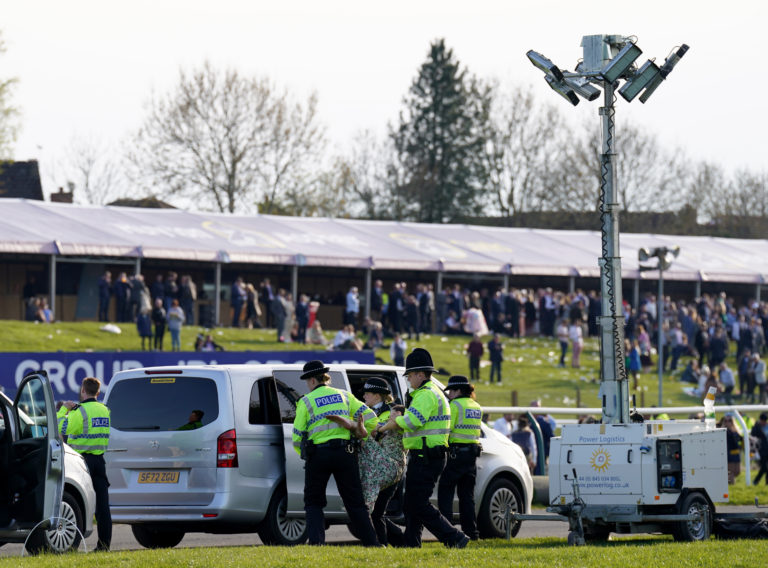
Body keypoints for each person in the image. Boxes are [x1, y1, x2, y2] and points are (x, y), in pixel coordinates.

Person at [376, 348, 469, 549]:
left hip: (427, 456)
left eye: (410, 376)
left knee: (419, 504)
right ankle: (411, 543)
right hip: (425, 455)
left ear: (420, 374)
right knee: (411, 504)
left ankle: (454, 537)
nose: (408, 380)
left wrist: (391, 422)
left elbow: (412, 421)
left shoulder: (425, 395)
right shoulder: (428, 393)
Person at [291, 360, 380, 546]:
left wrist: (305, 453)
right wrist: (357, 430)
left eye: (308, 381)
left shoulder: (306, 401)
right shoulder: (344, 396)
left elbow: (297, 437)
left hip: (318, 456)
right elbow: (372, 419)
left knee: (314, 502)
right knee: (355, 502)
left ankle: (317, 545)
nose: (308, 385)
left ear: (313, 381)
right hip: (345, 453)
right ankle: (373, 543)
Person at [57, 377, 112, 551]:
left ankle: (72, 544)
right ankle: (104, 545)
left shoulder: (79, 411)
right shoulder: (105, 410)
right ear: (98, 392)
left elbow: (61, 428)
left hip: (81, 462)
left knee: (79, 502)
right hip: (99, 461)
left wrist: (64, 410)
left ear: (83, 390)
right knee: (103, 506)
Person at [356, 378, 407, 546]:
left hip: (388, 468)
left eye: (367, 393)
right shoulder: (368, 411)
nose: (363, 396)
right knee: (377, 513)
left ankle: (383, 544)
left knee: (376, 512)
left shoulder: (391, 413)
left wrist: (376, 430)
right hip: (376, 467)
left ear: (377, 395)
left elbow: (376, 432)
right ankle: (397, 542)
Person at [437, 375, 482, 541]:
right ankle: (472, 532)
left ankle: (447, 530)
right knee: (467, 496)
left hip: (456, 454)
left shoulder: (454, 406)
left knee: (445, 490)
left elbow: (447, 429)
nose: (449, 395)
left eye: (451, 391)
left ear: (458, 391)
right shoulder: (476, 406)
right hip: (472, 455)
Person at [721, 415, 742, 484]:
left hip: (736, 453)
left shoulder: (736, 431)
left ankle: (729, 482)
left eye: (730, 420)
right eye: (726, 421)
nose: (728, 422)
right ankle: (732, 488)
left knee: (737, 471)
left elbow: (740, 440)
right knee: (731, 472)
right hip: (729, 453)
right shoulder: (724, 431)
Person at [751, 413, 768, 485]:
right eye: (762, 420)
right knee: (764, 467)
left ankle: (761, 482)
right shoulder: (756, 427)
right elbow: (752, 437)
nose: (763, 422)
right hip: (761, 450)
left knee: (765, 467)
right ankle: (755, 481)